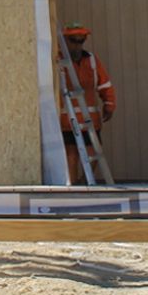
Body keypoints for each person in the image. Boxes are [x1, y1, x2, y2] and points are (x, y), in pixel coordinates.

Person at [59, 21, 116, 183]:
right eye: (73, 41)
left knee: (93, 153)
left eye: (81, 41)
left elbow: (105, 84)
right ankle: (72, 187)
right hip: (66, 121)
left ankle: (85, 183)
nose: (78, 46)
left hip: (90, 121)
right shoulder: (58, 61)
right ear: (65, 40)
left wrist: (109, 104)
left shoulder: (91, 60)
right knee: (71, 155)